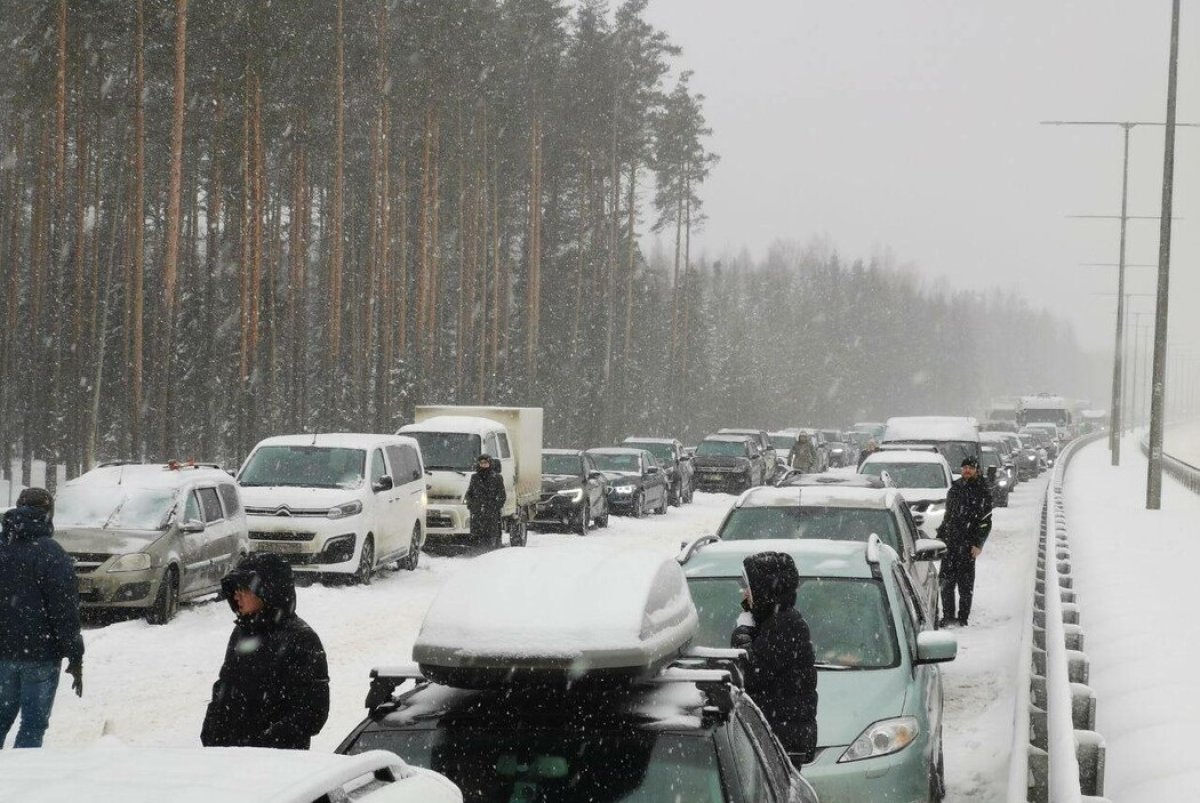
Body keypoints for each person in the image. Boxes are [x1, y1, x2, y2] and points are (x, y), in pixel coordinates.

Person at [201, 553, 329, 749]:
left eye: (244, 590)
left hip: (275, 765)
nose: (236, 596)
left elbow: (312, 712)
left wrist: (265, 743)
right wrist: (212, 732)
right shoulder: (243, 632)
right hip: (227, 760)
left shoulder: (302, 639)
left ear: (267, 592)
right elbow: (225, 686)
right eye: (235, 590)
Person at [0, 488, 84, 748]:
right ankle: (24, 780)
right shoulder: (52, 553)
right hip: (40, 653)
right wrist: (74, 653)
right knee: (33, 725)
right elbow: (65, 610)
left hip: (3, 652)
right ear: (48, 514)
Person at [730, 551, 818, 765]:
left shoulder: (784, 625)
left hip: (780, 742)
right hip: (775, 737)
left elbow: (751, 674)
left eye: (748, 587)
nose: (743, 594)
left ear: (763, 590)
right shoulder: (771, 621)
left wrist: (742, 635)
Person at [937, 457, 994, 627]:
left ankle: (962, 618)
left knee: (965, 585)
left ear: (976, 470)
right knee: (946, 582)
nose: (967, 470)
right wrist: (941, 535)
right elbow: (948, 516)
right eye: (964, 467)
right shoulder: (955, 488)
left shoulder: (982, 491)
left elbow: (985, 521)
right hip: (950, 543)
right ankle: (948, 615)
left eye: (970, 467)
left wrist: (978, 544)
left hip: (968, 544)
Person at [465, 453, 506, 546]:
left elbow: (502, 495)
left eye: (486, 462)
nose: (483, 465)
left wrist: (495, 507)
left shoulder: (497, 477)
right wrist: (471, 505)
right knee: (477, 537)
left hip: (491, 513)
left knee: (491, 537)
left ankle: (491, 550)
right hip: (477, 513)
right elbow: (469, 493)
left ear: (490, 463)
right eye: (481, 463)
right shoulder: (474, 477)